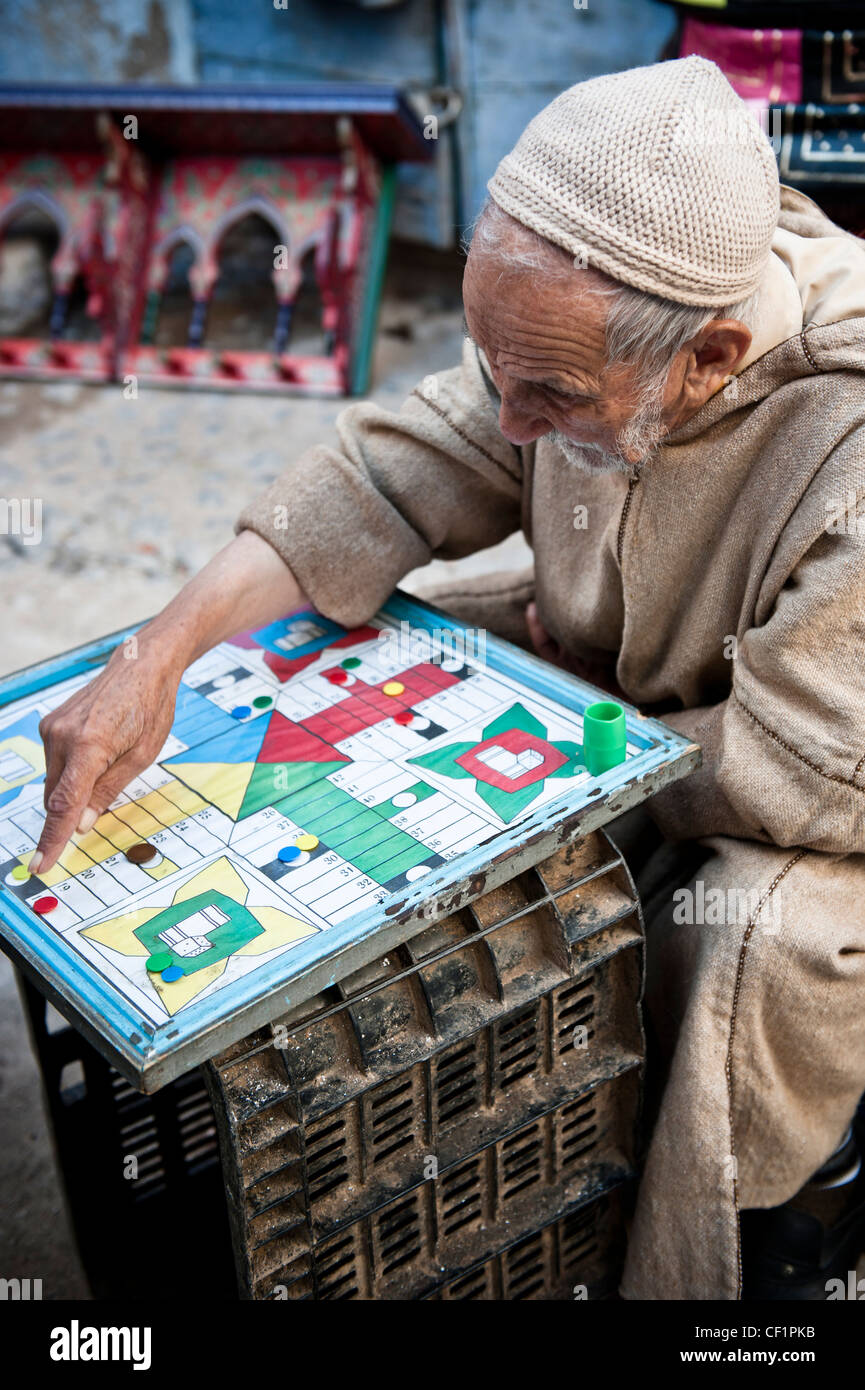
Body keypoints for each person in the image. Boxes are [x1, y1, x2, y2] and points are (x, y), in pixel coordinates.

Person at [32, 57, 865, 1300]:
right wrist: (155, 655)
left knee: (765, 943)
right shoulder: (565, 326)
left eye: (554, 396)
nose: (511, 421)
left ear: (711, 357)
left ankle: (761, 1241)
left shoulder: (844, 437)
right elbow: (389, 474)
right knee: (326, 656)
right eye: (497, 369)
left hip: (819, 781)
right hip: (618, 675)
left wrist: (597, 735)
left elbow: (805, 767)